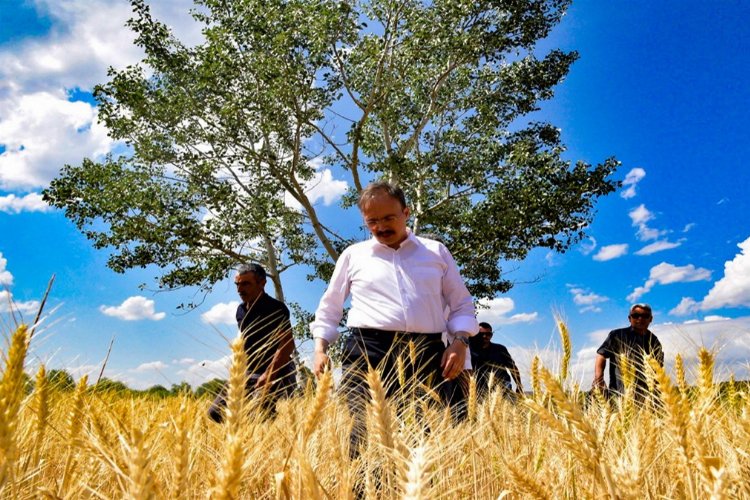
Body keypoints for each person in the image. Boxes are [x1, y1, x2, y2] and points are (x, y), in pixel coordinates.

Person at [310, 181, 478, 453]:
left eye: (389, 218)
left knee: (417, 437)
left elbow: (462, 304)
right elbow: (330, 307)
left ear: (406, 212)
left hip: (424, 353)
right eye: (372, 221)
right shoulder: (353, 255)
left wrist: (460, 342)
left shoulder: (436, 252)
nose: (381, 227)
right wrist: (320, 349)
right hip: (366, 351)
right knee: (362, 433)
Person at [208, 263, 296, 422]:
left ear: (262, 283)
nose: (239, 289)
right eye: (237, 284)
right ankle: (243, 440)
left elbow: (287, 344)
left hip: (276, 370)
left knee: (258, 414)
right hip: (248, 371)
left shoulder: (275, 308)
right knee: (216, 412)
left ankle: (270, 436)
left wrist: (268, 375)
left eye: (246, 284)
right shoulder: (240, 311)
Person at [592, 303, 663, 400]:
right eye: (636, 316)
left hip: (646, 396)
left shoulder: (654, 340)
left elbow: (658, 368)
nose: (640, 319)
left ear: (651, 319)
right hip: (620, 393)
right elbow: (601, 355)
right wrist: (598, 378)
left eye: (645, 316)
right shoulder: (617, 335)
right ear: (629, 318)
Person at [470, 322, 523, 396]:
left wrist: (519, 385)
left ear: (491, 335)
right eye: (481, 334)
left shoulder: (500, 349)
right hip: (479, 390)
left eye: (488, 334)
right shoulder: (470, 350)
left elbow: (513, 368)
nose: (484, 336)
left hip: (502, 388)